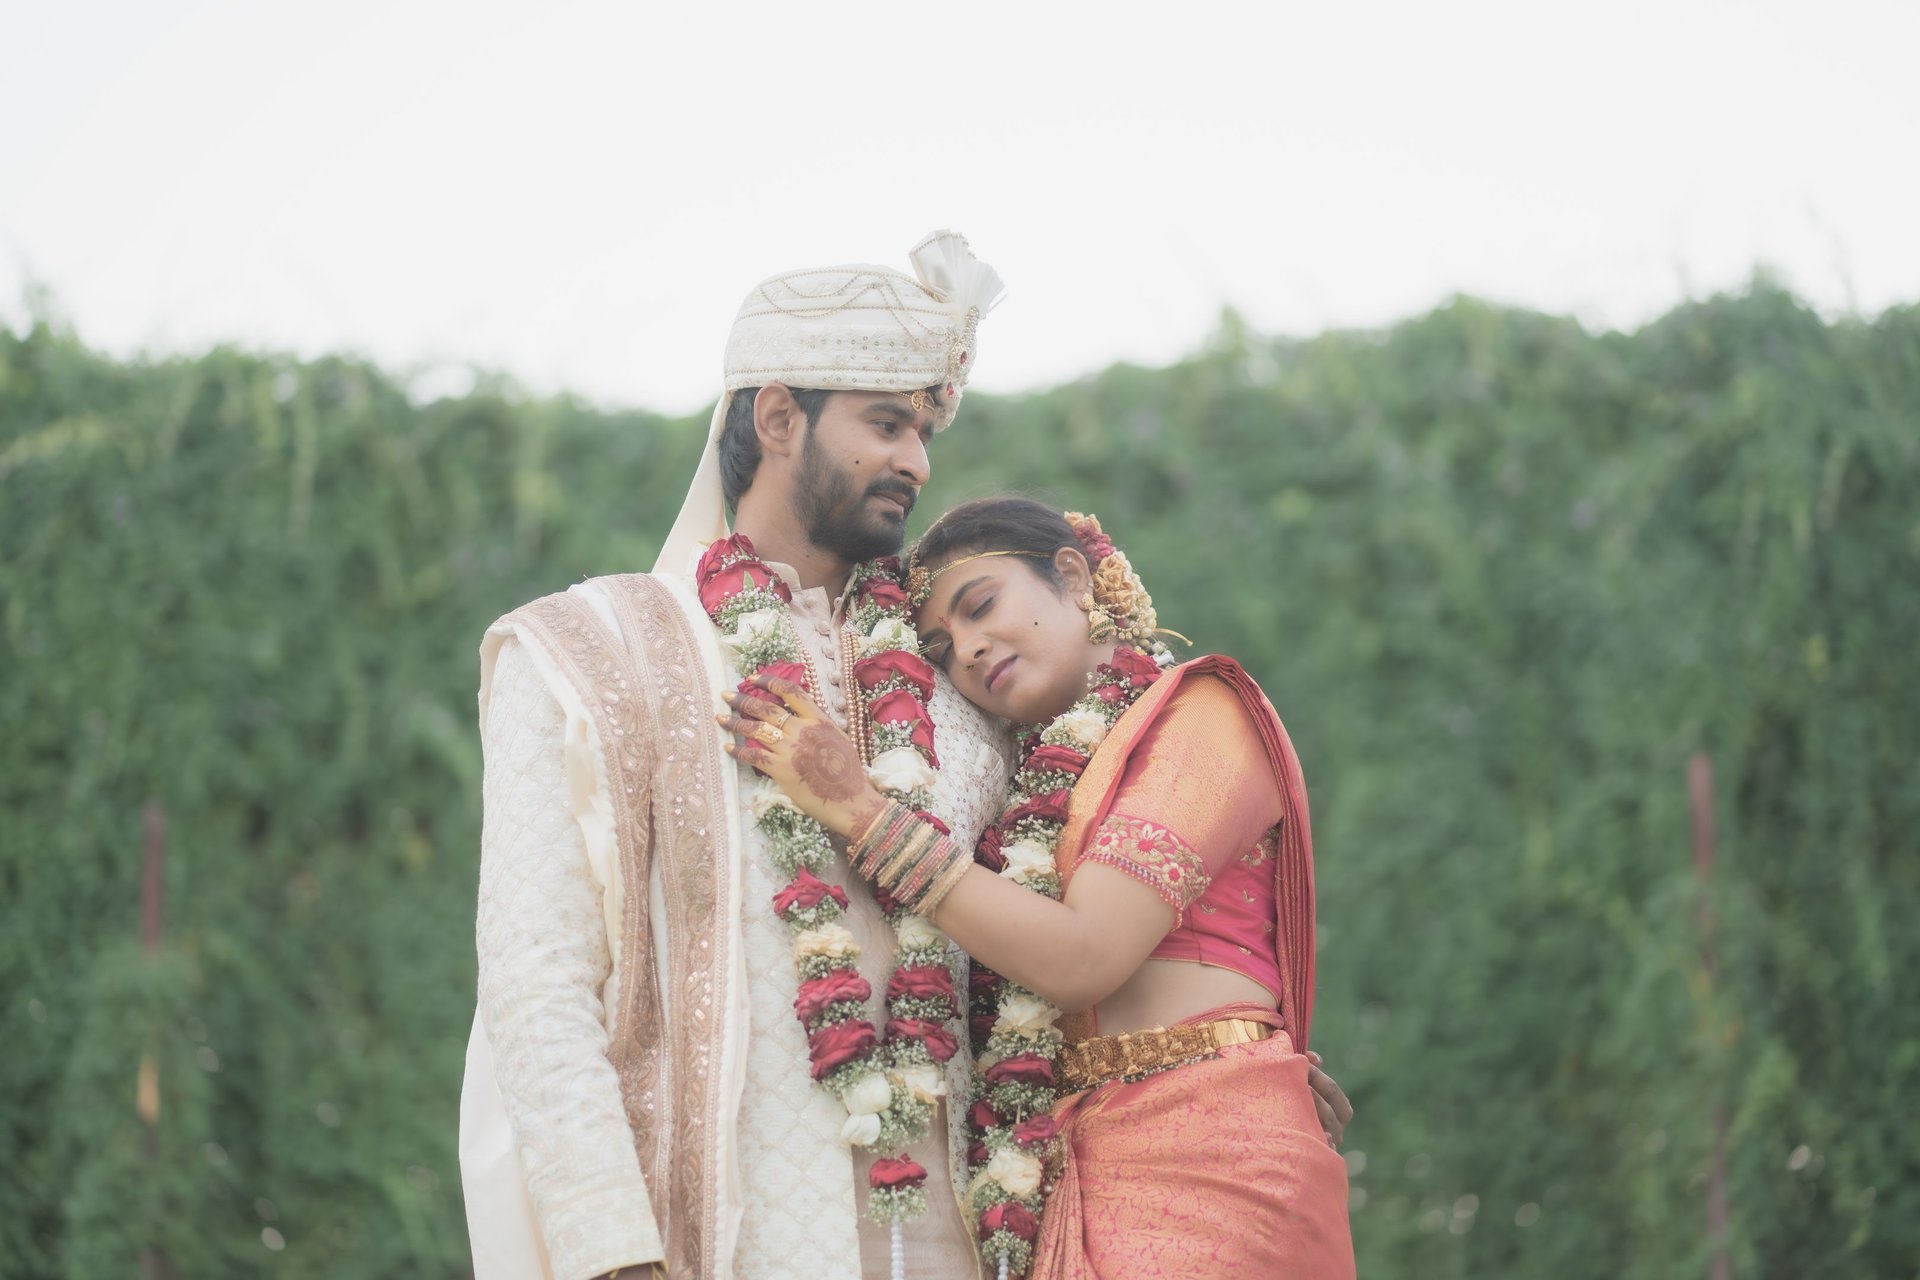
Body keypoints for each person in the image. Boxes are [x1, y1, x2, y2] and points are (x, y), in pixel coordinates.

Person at [459, 232, 1020, 1280]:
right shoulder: (587, 653)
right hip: (719, 1241)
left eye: (925, 430)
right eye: (887, 423)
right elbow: (537, 980)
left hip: (959, 1242)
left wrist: (1230, 1055)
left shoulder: (962, 688)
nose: (919, 462)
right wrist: (612, 1255)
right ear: (776, 417)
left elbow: (1059, 922)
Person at [721, 497, 1357, 1279]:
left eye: (981, 605)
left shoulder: (1203, 714)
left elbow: (1084, 956)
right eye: (941, 648)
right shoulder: (1020, 794)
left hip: (1213, 1163)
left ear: (1072, 577)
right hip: (1071, 1165)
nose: (968, 650)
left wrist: (862, 812)